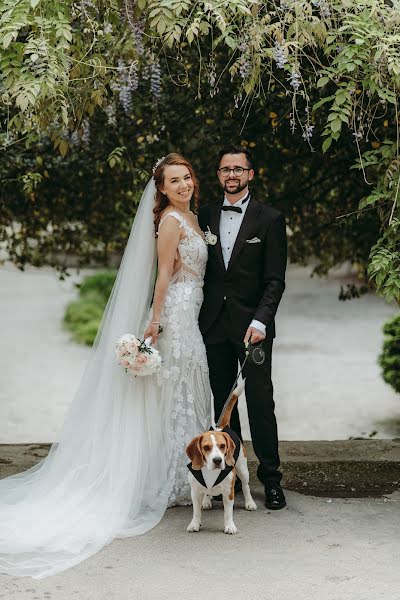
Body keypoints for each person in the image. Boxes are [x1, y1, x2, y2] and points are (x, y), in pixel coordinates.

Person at [0, 153, 211, 579]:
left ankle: (186, 475)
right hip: (178, 314)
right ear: (162, 189)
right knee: (175, 391)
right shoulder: (171, 221)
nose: (184, 184)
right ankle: (173, 479)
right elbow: (164, 276)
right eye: (174, 180)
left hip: (193, 311)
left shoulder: (190, 217)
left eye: (186, 177)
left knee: (184, 390)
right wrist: (155, 321)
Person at [198, 144, 287, 510]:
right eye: (224, 170)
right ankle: (222, 479)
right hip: (214, 327)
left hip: (254, 330)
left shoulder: (270, 219)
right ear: (218, 175)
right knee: (219, 409)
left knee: (260, 403)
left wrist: (260, 321)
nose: (231, 175)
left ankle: (272, 479)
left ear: (250, 174)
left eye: (238, 169)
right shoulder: (203, 215)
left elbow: (275, 281)